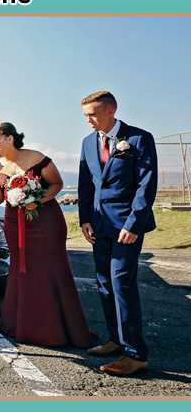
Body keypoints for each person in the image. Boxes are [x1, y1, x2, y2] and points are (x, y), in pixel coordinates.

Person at [0, 122, 93, 348]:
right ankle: (22, 325)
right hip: (14, 222)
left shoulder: (36, 157)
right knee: (21, 268)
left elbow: (57, 183)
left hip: (45, 222)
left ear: (9, 138)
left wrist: (36, 200)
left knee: (49, 269)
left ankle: (55, 328)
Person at [78, 91, 158, 375]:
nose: (88, 119)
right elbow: (86, 183)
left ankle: (135, 354)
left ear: (111, 110)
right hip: (99, 225)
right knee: (103, 283)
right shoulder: (88, 143)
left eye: (92, 114)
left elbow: (146, 186)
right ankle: (115, 339)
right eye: (85, 114)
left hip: (127, 227)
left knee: (122, 282)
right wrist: (84, 219)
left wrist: (133, 224)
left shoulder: (139, 139)